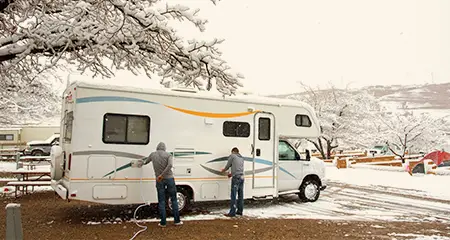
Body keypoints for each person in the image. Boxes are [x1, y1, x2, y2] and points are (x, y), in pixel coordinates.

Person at [140, 142, 183, 227]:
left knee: (161, 201)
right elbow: (170, 165)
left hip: (159, 180)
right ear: (164, 148)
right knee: (174, 200)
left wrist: (140, 162)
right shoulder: (168, 155)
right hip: (169, 179)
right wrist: (163, 175)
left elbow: (145, 162)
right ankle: (177, 221)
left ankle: (163, 222)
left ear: (157, 147)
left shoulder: (153, 155)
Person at [221, 147, 245, 217]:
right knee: (240, 195)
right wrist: (231, 174)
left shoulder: (232, 156)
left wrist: (223, 170)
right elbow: (238, 168)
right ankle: (240, 211)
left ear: (233, 151)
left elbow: (228, 166)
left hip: (236, 178)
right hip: (241, 177)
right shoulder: (241, 158)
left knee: (233, 195)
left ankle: (232, 212)